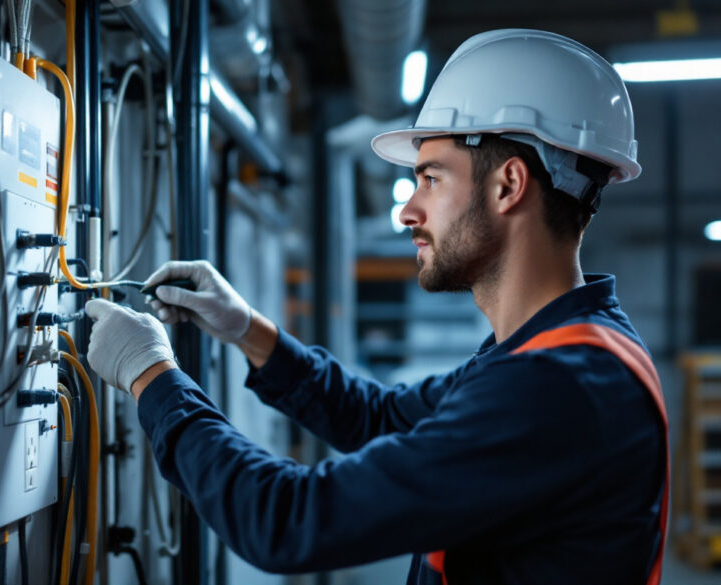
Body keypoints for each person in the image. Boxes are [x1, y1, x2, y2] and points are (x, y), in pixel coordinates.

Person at [84, 29, 669, 585]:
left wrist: (153, 378)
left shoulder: (558, 388)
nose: (408, 211)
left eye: (431, 179)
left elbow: (289, 521)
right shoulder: (555, 355)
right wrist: (246, 329)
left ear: (507, 186)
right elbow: (380, 419)